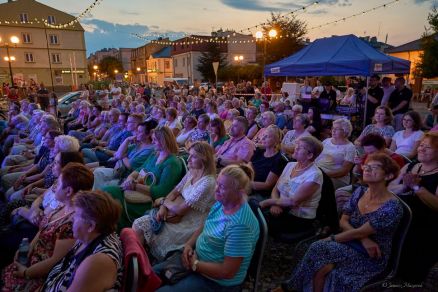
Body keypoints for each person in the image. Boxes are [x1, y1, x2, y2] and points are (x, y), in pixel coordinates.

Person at [281, 153, 402, 292]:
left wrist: (331, 238)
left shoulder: (391, 207)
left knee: (318, 247)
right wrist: (364, 239)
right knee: (322, 265)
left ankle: (291, 286)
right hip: (354, 243)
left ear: (388, 176)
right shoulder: (360, 192)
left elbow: (359, 231)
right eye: (366, 166)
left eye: (375, 167)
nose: (367, 170)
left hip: (371, 255)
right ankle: (294, 286)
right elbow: (343, 221)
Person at [155, 164, 259, 291]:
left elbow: (227, 272)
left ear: (240, 192)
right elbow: (205, 225)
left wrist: (195, 265)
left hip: (216, 281)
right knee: (152, 275)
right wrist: (188, 245)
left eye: (222, 187)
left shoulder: (240, 226)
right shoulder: (222, 203)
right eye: (217, 183)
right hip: (197, 260)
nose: (216, 189)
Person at [1, 163, 94, 291]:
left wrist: (25, 273)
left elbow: (53, 262)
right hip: (30, 259)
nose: (54, 187)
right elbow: (42, 230)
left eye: (58, 183)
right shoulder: (62, 206)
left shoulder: (73, 222)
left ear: (69, 191)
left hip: (37, 272)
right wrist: (27, 249)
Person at [133, 142, 216, 261]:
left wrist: (162, 201)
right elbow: (175, 191)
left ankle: (139, 264)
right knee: (140, 224)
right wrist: (163, 207)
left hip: (190, 222)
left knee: (140, 225)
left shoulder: (208, 182)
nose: (189, 159)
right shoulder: (193, 172)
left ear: (205, 158)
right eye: (189, 155)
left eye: (194, 156)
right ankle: (138, 261)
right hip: (175, 211)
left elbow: (181, 210)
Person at [103, 126, 183, 230]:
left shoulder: (173, 163)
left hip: (148, 201)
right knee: (107, 192)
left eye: (155, 140)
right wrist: (130, 179)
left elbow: (161, 192)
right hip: (137, 190)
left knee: (109, 194)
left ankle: (112, 229)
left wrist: (135, 186)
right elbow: (140, 169)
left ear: (164, 141)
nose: (153, 142)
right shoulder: (155, 154)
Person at [42, 191, 123, 291]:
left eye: (76, 215)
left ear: (91, 226)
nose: (72, 218)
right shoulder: (89, 236)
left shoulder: (98, 262)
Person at [388, 132, 438, 283]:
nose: (421, 149)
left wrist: (417, 187)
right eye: (421, 145)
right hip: (401, 217)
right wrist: (404, 187)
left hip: (426, 225)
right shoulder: (411, 165)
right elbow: (390, 188)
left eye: (427, 147)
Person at [259, 136, 323, 236]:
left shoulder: (315, 175)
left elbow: (293, 202)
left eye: (300, 147)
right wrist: (276, 204)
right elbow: (276, 188)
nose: (295, 148)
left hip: (298, 217)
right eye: (296, 145)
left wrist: (268, 202)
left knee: (259, 220)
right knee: (255, 213)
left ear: (310, 155)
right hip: (281, 208)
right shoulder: (290, 165)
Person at [92, 120, 157, 190]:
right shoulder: (138, 144)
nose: (136, 133)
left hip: (125, 177)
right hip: (119, 170)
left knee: (97, 173)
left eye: (140, 132)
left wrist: (123, 157)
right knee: (96, 172)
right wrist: (127, 140)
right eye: (137, 131)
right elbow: (118, 154)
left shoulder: (149, 149)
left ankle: (96, 196)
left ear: (148, 135)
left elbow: (130, 165)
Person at [249, 125, 287, 201]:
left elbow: (267, 185)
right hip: (249, 187)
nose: (263, 138)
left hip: (261, 194)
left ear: (276, 140)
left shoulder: (280, 160)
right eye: (263, 135)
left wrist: (246, 184)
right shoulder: (259, 151)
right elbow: (249, 166)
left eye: (267, 136)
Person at [316, 118, 355, 189]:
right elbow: (315, 156)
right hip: (318, 172)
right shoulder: (327, 141)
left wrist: (322, 175)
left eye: (337, 129)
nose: (333, 131)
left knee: (312, 185)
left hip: (336, 178)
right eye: (333, 128)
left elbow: (344, 171)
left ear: (345, 131)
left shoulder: (350, 148)